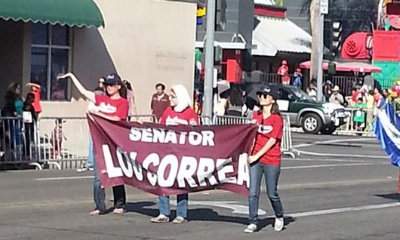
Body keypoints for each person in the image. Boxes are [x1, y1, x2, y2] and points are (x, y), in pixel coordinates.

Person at [58, 72, 128, 215]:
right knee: (98, 176)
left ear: (118, 86)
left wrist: (98, 114)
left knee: (116, 174)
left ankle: (119, 203)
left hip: (113, 142)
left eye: (112, 85)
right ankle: (99, 205)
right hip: (99, 142)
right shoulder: (101, 99)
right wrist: (72, 76)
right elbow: (83, 92)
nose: (109, 87)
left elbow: (118, 119)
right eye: (107, 85)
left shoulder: (123, 102)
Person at [151, 84, 198, 224]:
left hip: (183, 154)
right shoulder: (167, 111)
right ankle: (164, 212)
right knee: (163, 181)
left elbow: (196, 134)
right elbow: (160, 127)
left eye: (173, 97)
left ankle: (181, 214)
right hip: (166, 153)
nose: (170, 99)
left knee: (181, 184)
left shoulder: (190, 113)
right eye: (170, 96)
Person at [245, 86, 284, 233]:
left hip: (271, 159)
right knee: (253, 192)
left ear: (272, 99)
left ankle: (279, 215)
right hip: (255, 159)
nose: (261, 97)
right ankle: (253, 221)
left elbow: (272, 141)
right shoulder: (256, 115)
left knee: (271, 193)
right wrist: (248, 153)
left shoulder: (277, 119)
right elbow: (251, 135)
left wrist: (257, 155)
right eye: (260, 95)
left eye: (265, 95)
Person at [22, 93, 38, 158]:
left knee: (27, 140)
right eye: (33, 98)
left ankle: (27, 154)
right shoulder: (30, 106)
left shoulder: (24, 105)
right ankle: (27, 154)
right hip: (28, 126)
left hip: (27, 126)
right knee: (28, 139)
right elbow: (34, 116)